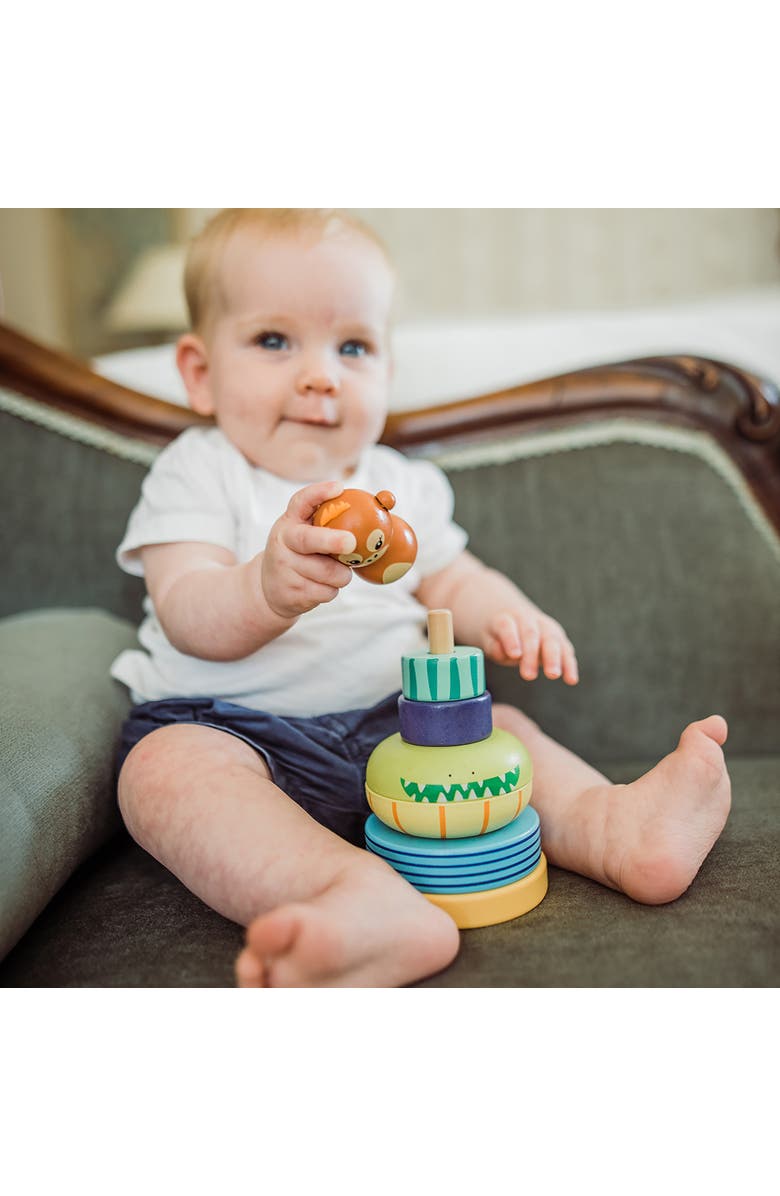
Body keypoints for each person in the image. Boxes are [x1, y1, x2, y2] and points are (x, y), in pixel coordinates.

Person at [112, 208, 732, 987]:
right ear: (201, 372)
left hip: (401, 730)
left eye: (353, 347)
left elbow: (455, 578)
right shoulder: (198, 472)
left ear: (387, 372)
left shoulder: (399, 484)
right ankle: (358, 902)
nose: (320, 374)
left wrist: (509, 616)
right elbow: (187, 608)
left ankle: (619, 830)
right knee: (163, 774)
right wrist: (266, 589)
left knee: (503, 728)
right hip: (232, 731)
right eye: (274, 340)